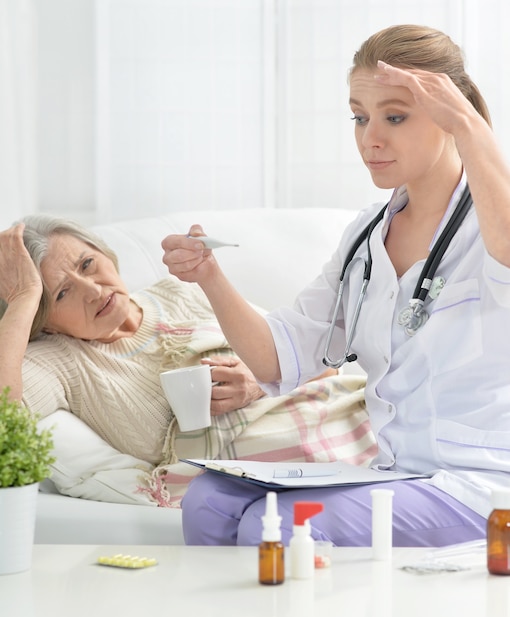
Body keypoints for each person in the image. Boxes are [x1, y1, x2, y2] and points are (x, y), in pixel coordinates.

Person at [161, 24, 510, 546]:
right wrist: (209, 277)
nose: (371, 137)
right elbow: (277, 360)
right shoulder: (367, 236)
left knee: (276, 528)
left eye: (395, 116)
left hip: (481, 484)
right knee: (211, 500)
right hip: (396, 474)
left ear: (449, 114)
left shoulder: (493, 219)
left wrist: (469, 125)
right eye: (360, 116)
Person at [0, 215, 370, 506]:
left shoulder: (180, 291)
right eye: (62, 293)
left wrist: (260, 381)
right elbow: (5, 417)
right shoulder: (61, 362)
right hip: (288, 483)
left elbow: (324, 362)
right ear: (42, 318)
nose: (94, 291)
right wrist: (23, 298)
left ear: (107, 255)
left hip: (359, 425)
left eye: (87, 264)